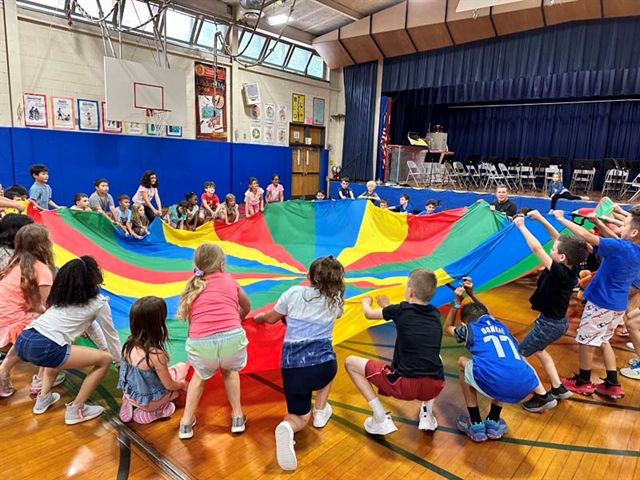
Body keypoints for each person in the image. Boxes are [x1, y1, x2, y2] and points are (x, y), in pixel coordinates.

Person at [253, 256, 345, 471]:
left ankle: (288, 426)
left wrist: (260, 318)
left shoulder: (293, 293)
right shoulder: (337, 301)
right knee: (330, 362)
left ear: (308, 276)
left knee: (299, 416)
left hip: (294, 370)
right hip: (323, 367)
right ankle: (320, 411)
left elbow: (272, 318)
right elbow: (336, 312)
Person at [10, 256, 121, 423]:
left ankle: (43, 398)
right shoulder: (98, 302)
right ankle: (76, 409)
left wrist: (104, 348)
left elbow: (92, 327)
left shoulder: (62, 299)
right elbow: (110, 333)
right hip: (45, 346)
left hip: (24, 339)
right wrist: (117, 359)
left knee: (59, 349)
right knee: (105, 360)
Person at [443, 278, 553, 442]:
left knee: (462, 362)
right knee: (503, 363)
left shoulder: (469, 330)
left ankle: (475, 424)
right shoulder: (501, 326)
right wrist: (472, 294)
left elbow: (447, 328)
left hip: (501, 383)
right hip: (524, 386)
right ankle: (493, 421)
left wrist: (456, 303)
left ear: (465, 323)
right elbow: (488, 313)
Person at [344, 269, 445, 436]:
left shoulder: (400, 310)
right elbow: (404, 317)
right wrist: (387, 305)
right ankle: (427, 413)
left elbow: (369, 314)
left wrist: (365, 301)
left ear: (410, 291)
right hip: (434, 386)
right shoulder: (434, 313)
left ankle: (380, 417)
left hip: (404, 385)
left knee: (350, 362)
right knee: (437, 358)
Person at [553, 209, 640, 399]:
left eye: (624, 225)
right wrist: (599, 224)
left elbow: (586, 236)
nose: (620, 228)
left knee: (585, 341)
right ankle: (612, 384)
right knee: (602, 340)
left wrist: (560, 218)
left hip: (602, 303)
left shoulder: (623, 248)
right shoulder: (632, 249)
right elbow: (618, 242)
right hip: (616, 305)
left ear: (634, 233)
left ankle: (583, 381)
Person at [513, 211, 589, 411]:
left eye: (554, 249)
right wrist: (541, 219)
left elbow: (537, 249)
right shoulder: (570, 267)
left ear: (562, 257)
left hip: (548, 325)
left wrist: (522, 226)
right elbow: (559, 238)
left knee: (519, 355)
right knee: (539, 350)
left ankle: (542, 396)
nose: (551, 248)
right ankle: (558, 388)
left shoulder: (559, 272)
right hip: (556, 323)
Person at [176, 243, 251, 439]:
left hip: (201, 342)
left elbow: (194, 323)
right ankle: (237, 416)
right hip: (232, 337)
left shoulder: (192, 286)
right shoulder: (229, 280)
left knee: (199, 377)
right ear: (222, 265)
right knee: (230, 371)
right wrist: (237, 319)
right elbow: (247, 305)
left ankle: (185, 423)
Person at [0, 224, 58, 398]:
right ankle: (41, 378)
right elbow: (49, 307)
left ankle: (6, 372)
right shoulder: (42, 269)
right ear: (44, 244)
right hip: (10, 320)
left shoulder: (15, 263)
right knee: (52, 329)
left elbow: (34, 305)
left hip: (6, 316)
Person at [118, 296, 188, 424]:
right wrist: (182, 385)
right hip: (150, 402)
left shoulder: (127, 345)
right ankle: (154, 411)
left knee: (153, 375)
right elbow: (169, 385)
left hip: (130, 393)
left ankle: (129, 402)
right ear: (158, 324)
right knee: (182, 368)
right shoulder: (155, 355)